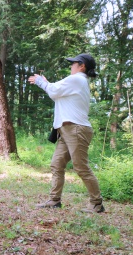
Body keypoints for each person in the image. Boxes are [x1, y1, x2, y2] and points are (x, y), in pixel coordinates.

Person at [28, 53, 105, 213]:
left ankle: (96, 203)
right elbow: (57, 94)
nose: (71, 66)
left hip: (75, 129)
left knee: (81, 167)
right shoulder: (78, 82)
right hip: (67, 129)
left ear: (82, 66)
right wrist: (48, 84)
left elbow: (54, 91)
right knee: (56, 164)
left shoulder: (77, 79)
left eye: (74, 63)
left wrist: (41, 82)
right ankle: (54, 200)